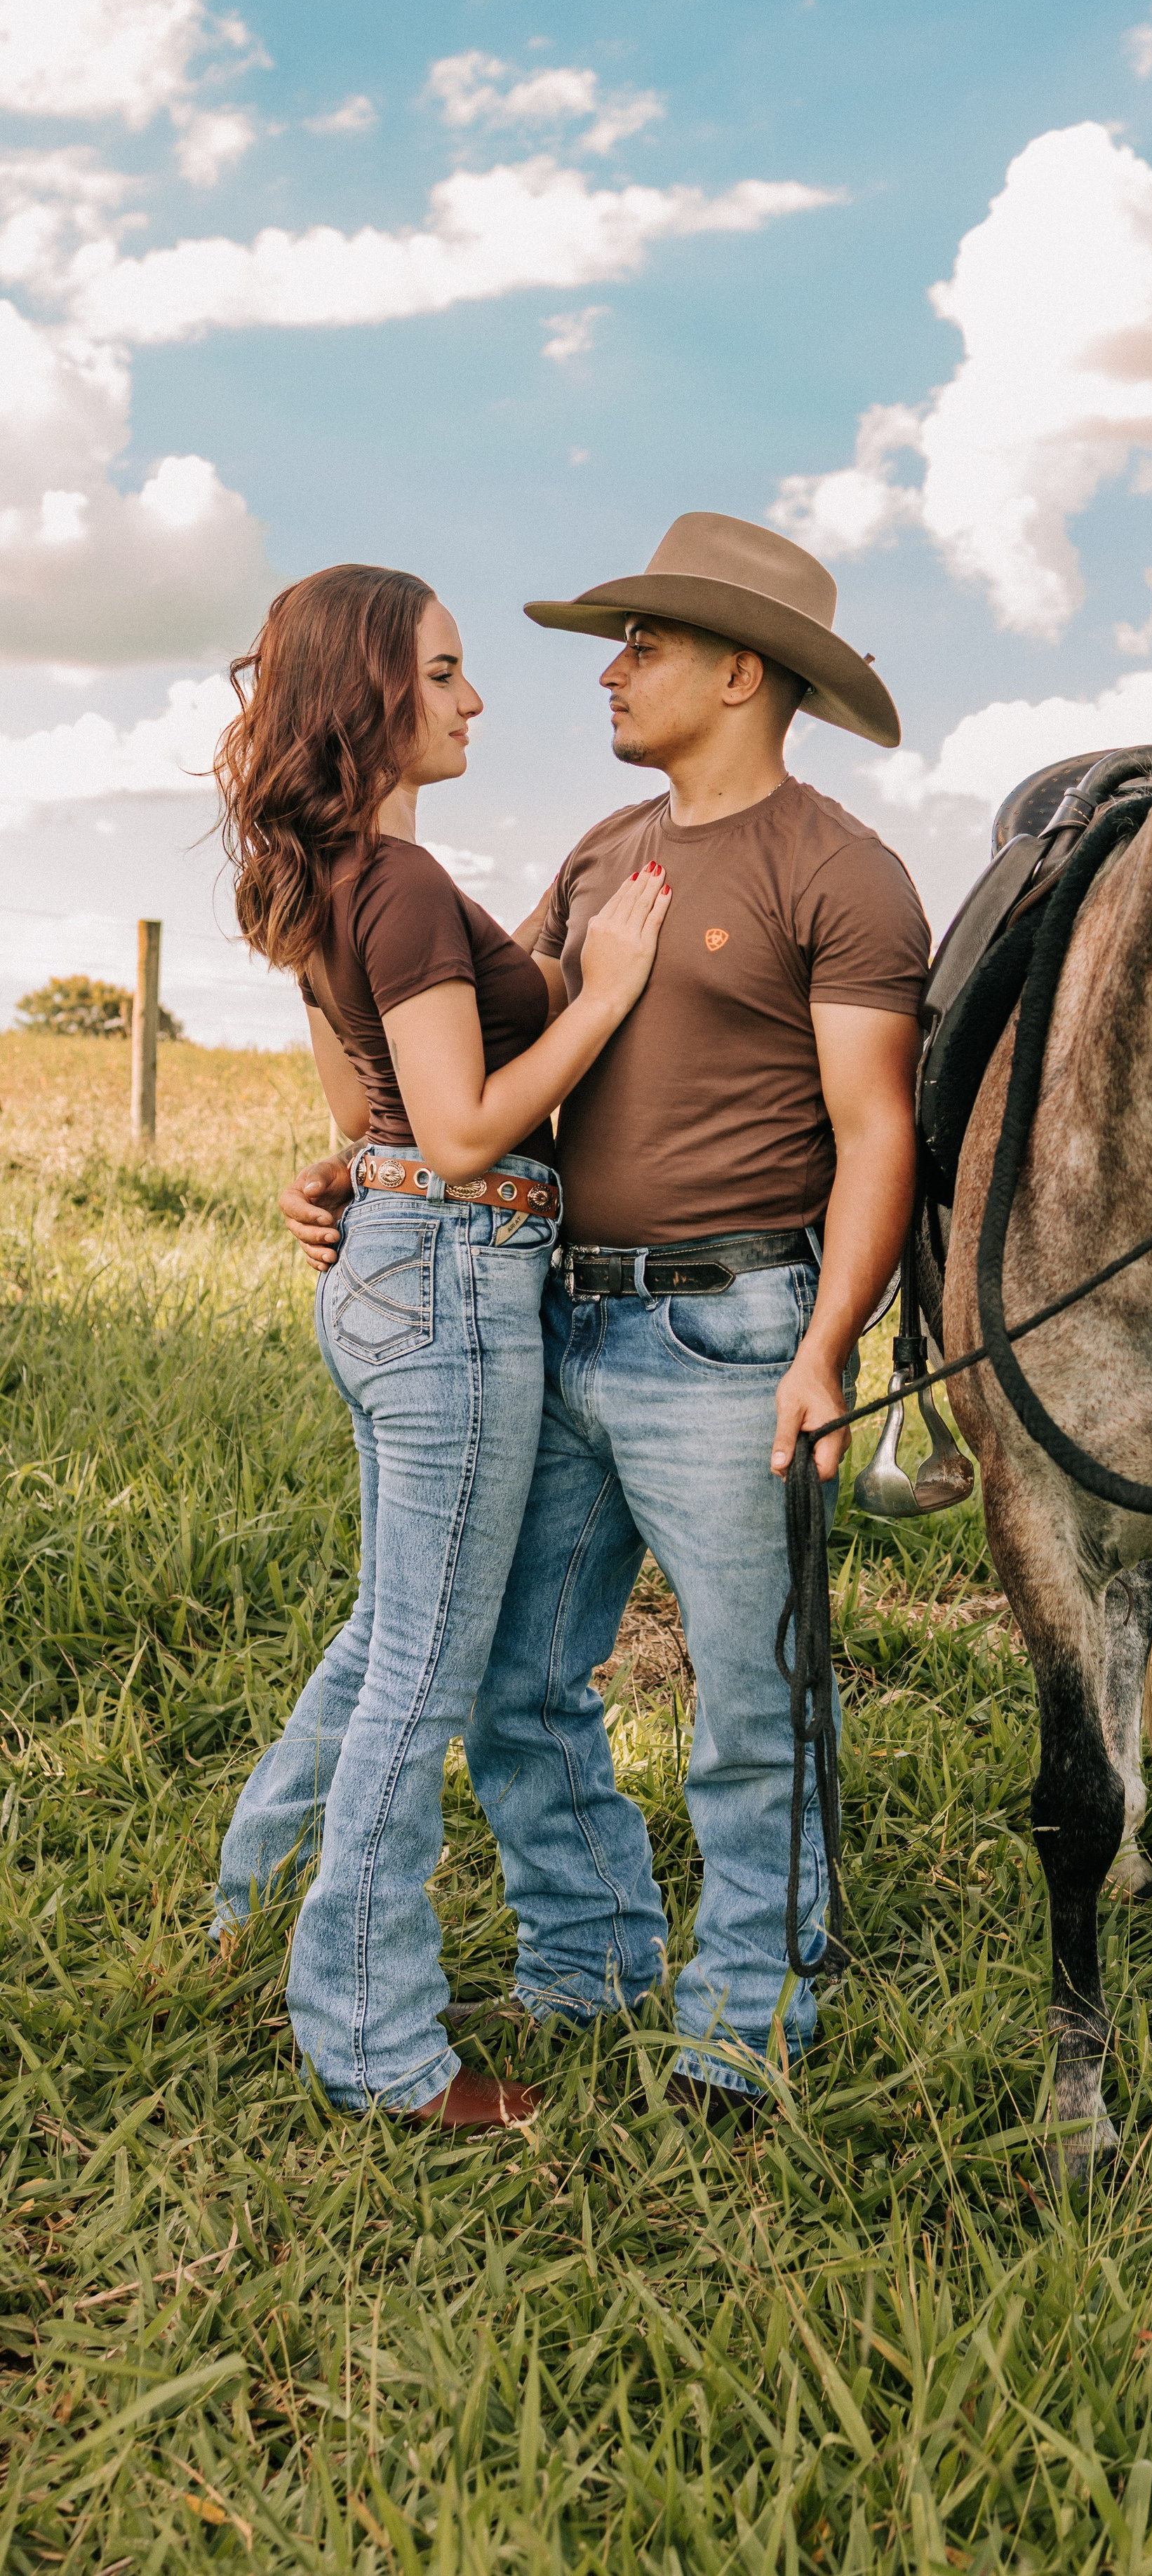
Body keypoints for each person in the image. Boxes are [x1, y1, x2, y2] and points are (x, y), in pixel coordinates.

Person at [281, 514, 928, 2112]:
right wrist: (365, 1172)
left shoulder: (839, 870)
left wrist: (826, 1345)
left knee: (750, 1693)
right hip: (545, 1317)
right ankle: (592, 1959)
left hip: (729, 1331)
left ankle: (744, 2015)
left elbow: (877, 1133)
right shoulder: (596, 853)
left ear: (739, 669)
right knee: (516, 1678)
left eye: (643, 642)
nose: (610, 669)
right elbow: (507, 1081)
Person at [214, 562, 670, 2127]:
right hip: (462, 1277)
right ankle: (377, 2043)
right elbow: (470, 1130)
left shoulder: (330, 875)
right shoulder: (401, 886)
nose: (475, 699)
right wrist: (601, 989)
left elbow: (367, 1120)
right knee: (425, 1673)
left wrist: (362, 1174)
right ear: (373, 695)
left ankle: (244, 1889)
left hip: (396, 1276)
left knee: (384, 1633)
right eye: (448, 671)